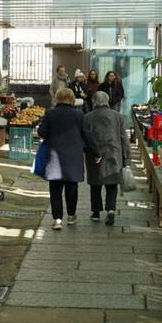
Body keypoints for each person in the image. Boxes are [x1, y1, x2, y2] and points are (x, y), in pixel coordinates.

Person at [37, 88, 101, 230]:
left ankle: (57, 219)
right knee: (72, 189)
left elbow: (42, 132)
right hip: (73, 157)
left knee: (55, 190)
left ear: (57, 98)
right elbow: (87, 136)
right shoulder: (79, 115)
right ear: (72, 99)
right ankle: (71, 216)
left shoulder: (50, 113)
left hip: (54, 157)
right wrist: (96, 152)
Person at [84, 91, 131, 226]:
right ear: (107, 101)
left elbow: (85, 138)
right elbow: (124, 139)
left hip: (95, 154)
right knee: (112, 184)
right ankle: (110, 210)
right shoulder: (118, 117)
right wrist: (127, 158)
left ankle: (96, 212)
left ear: (94, 102)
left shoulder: (87, 117)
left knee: (95, 184)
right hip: (113, 154)